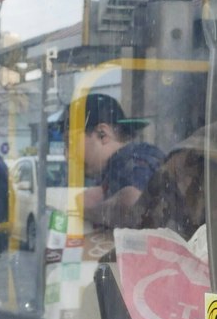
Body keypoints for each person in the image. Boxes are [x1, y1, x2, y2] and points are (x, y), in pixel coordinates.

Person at [68, 93, 163, 229]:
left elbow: (134, 203)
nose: (68, 155)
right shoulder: (116, 168)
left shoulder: (128, 161)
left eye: (71, 142)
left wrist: (89, 209)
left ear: (102, 134)